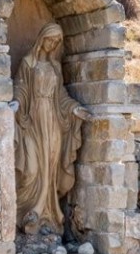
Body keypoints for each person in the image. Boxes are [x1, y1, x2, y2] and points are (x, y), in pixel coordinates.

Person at [13, 22, 90, 236]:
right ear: (42, 37)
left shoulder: (56, 67)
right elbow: (20, 87)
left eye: (56, 42)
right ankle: (27, 210)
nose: (52, 44)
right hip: (33, 118)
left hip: (53, 120)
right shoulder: (28, 63)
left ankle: (48, 215)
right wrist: (17, 104)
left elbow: (62, 95)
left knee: (51, 166)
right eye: (50, 39)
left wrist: (75, 109)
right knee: (32, 168)